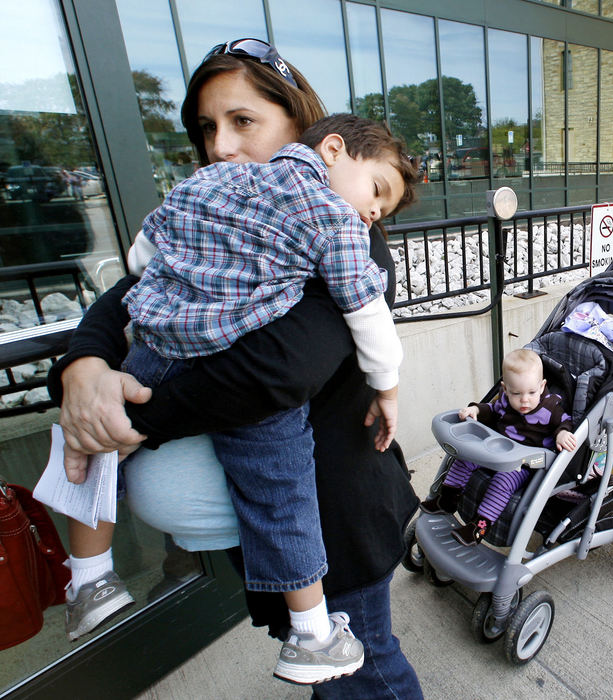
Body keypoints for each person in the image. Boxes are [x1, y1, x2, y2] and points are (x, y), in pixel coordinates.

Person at [47, 38, 424, 698]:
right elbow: (125, 294)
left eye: (242, 121)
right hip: (281, 537)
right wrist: (81, 369)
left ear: (306, 130)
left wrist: (124, 415)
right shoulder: (225, 212)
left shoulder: (345, 237)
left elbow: (272, 373)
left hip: (337, 522)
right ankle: (91, 576)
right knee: (332, 677)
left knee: (366, 675)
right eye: (206, 128)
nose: (219, 145)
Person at [420, 348, 576, 544]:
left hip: (523, 462)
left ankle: (479, 527)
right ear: (505, 388)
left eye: (531, 392)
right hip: (495, 450)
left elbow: (565, 421)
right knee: (464, 459)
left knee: (502, 483)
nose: (524, 400)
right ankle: (447, 500)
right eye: (516, 393)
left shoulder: (550, 407)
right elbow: (492, 410)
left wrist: (562, 432)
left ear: (542, 385)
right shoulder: (505, 399)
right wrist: (475, 409)